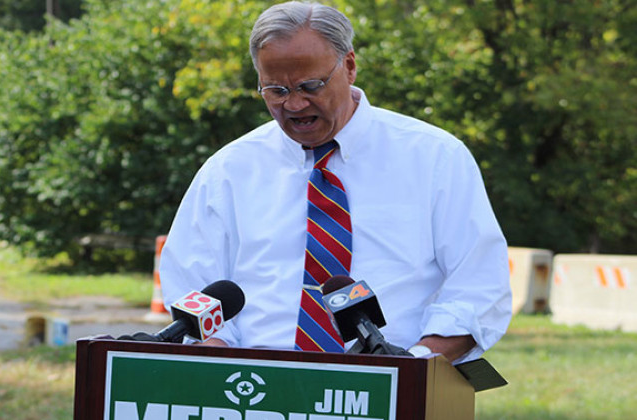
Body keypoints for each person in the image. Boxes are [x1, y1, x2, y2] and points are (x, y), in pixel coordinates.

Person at [159, 1, 511, 364]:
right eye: (275, 91)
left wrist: (415, 365)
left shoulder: (436, 158)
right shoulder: (228, 170)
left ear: (350, 66)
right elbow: (191, 285)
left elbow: (479, 288)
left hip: (391, 383)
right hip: (251, 388)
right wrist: (219, 365)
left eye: (310, 86)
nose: (294, 104)